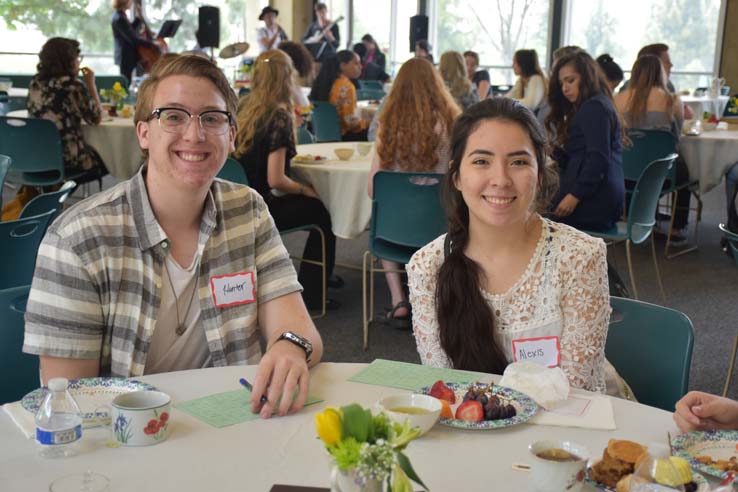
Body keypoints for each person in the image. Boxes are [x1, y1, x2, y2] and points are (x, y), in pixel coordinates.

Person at [23, 54, 323, 419]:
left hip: (235, 423)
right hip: (127, 441)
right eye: (173, 116)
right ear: (144, 133)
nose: (195, 134)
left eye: (212, 118)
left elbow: (297, 328)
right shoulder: (77, 239)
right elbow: (68, 404)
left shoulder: (248, 210)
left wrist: (290, 348)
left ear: (232, 136)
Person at [407, 97, 613, 393]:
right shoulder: (428, 267)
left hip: (563, 430)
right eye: (481, 161)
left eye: (518, 162)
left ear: (539, 174)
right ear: (456, 176)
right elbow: (448, 389)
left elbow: (575, 392)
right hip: (473, 428)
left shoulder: (579, 257)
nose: (501, 179)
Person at [235, 50, 339, 312]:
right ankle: (314, 293)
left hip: (236, 201)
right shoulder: (278, 116)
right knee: (322, 212)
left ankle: (321, 274)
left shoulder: (243, 106)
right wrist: (307, 190)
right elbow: (276, 179)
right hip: (262, 207)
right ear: (286, 79)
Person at [368, 58, 461, 327]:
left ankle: (399, 300)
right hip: (441, 227)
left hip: (394, 230)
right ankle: (435, 300)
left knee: (381, 215)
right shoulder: (452, 125)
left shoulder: (388, 128)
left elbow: (373, 188)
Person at [614, 54, 691, 244]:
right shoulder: (672, 100)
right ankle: (676, 227)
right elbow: (676, 138)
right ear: (661, 74)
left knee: (637, 163)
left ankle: (635, 217)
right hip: (662, 176)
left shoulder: (617, 100)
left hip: (624, 174)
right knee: (685, 172)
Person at [546, 50, 625, 232]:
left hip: (595, 200)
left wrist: (574, 195)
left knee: (535, 214)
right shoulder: (595, 104)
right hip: (599, 194)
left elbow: (598, 159)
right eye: (562, 83)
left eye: (570, 80)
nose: (565, 88)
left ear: (587, 77)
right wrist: (552, 150)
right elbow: (579, 159)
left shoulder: (594, 108)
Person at [26, 37, 105, 177]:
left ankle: (56, 192)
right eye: (77, 57)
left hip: (37, 157)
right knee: (109, 159)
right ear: (68, 61)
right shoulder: (73, 86)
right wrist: (91, 85)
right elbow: (96, 118)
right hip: (69, 160)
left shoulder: (35, 82)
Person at [310, 50, 368, 141]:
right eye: (356, 63)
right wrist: (367, 123)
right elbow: (350, 122)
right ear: (343, 65)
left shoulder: (323, 83)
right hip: (343, 136)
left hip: (320, 135)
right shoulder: (347, 87)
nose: (361, 67)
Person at [111, 0, 157, 86]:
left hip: (127, 55)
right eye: (130, 1)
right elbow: (133, 39)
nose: (131, 3)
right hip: (125, 55)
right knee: (125, 83)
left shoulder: (121, 16)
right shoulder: (119, 18)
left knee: (127, 82)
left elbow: (130, 30)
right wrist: (151, 44)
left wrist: (137, 19)